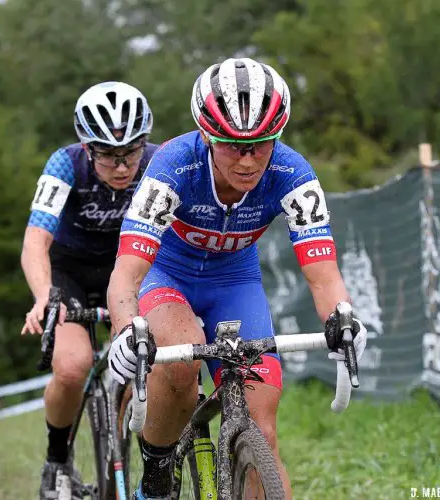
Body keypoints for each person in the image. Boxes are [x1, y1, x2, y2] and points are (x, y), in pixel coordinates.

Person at [106, 58, 369, 499]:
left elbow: (324, 277)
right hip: (167, 277)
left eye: (261, 145)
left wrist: (344, 319)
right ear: (208, 136)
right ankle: (156, 472)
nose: (248, 160)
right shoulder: (174, 166)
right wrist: (123, 331)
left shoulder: (292, 173)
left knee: (262, 431)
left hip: (235, 284)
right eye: (232, 146)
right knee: (181, 361)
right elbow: (127, 272)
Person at [19, 81, 158, 499]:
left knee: (146, 362)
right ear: (87, 147)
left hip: (129, 270)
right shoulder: (65, 164)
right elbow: (34, 242)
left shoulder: (158, 163)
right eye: (109, 156)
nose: (122, 166)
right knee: (73, 366)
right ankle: (56, 460)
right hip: (71, 273)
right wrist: (44, 296)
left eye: (131, 152)